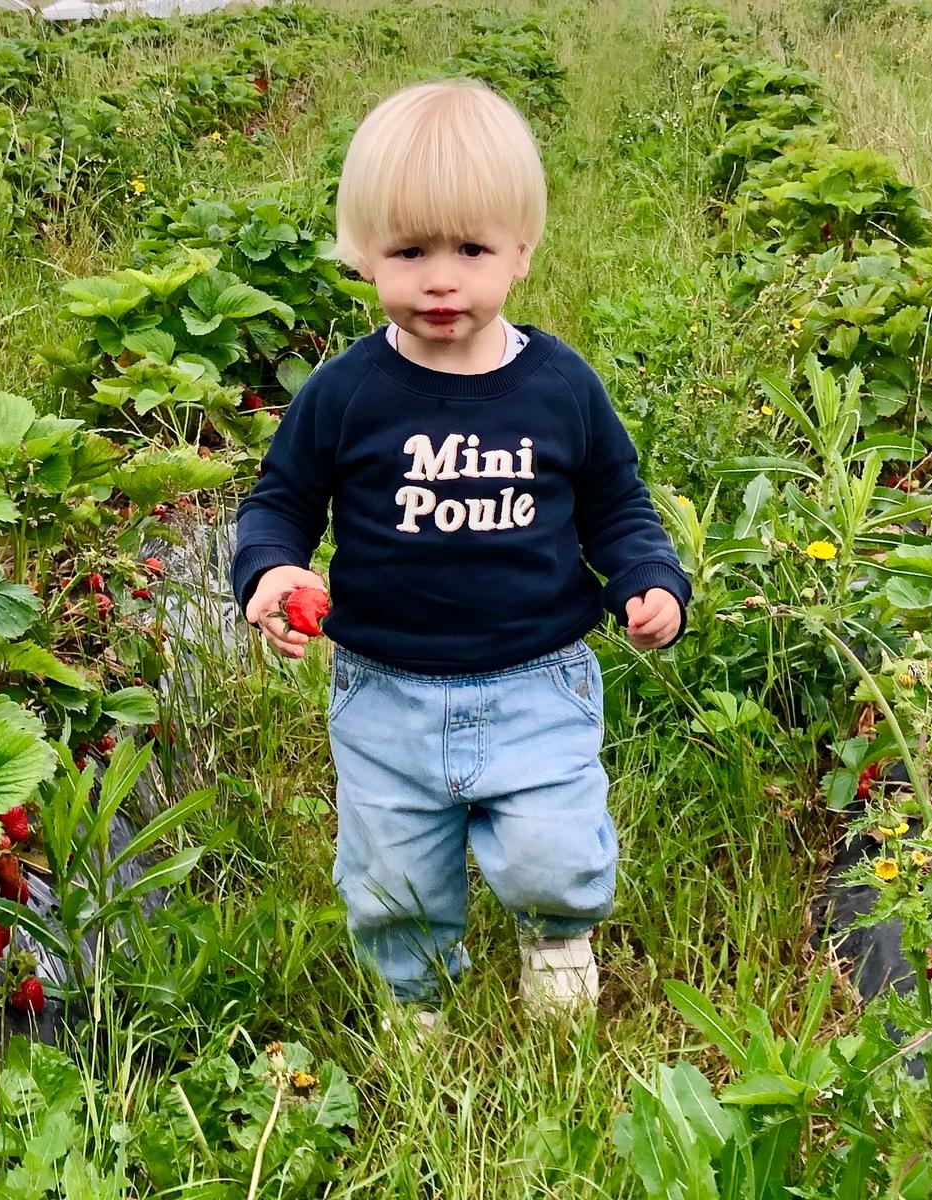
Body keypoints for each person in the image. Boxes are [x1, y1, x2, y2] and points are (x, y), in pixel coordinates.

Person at [230, 79, 691, 1032]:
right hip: (383, 689)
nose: (442, 280)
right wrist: (273, 573)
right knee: (392, 876)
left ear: (521, 251)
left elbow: (616, 504)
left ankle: (558, 940)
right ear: (363, 254)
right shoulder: (345, 393)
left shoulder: (561, 387)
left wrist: (650, 580)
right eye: (410, 252)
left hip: (537, 680)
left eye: (471, 250)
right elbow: (280, 503)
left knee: (552, 852)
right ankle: (416, 1005)